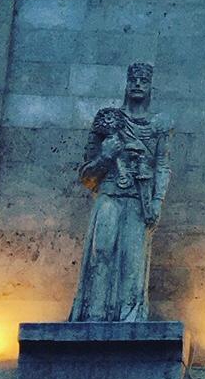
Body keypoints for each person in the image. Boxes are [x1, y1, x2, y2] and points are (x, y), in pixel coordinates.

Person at [68, 62, 171, 322]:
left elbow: (162, 165)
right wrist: (106, 157)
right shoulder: (107, 120)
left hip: (139, 200)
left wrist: (157, 201)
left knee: (132, 260)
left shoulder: (158, 126)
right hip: (109, 194)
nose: (138, 84)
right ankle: (94, 314)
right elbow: (86, 173)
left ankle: (130, 317)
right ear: (126, 84)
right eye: (134, 80)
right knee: (101, 251)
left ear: (150, 87)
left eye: (143, 81)